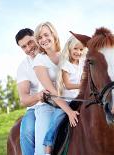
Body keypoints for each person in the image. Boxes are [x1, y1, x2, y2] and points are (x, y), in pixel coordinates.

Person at [33, 22, 79, 155]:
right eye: (39, 37)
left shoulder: (67, 54)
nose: (43, 40)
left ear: (53, 35)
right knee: (42, 152)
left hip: (72, 98)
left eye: (46, 35)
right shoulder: (39, 61)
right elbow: (53, 92)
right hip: (50, 104)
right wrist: (69, 111)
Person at [43, 36, 87, 154]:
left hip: (80, 99)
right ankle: (48, 146)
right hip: (67, 100)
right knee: (55, 121)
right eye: (75, 49)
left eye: (81, 50)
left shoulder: (83, 63)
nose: (78, 52)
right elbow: (67, 85)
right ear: (69, 49)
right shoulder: (66, 65)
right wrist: (82, 85)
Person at [15, 28, 44, 155]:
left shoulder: (50, 52)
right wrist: (40, 96)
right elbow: (24, 99)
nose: (28, 48)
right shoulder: (23, 67)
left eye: (30, 42)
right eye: (23, 47)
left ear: (36, 37)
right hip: (36, 106)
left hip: (63, 99)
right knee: (27, 130)